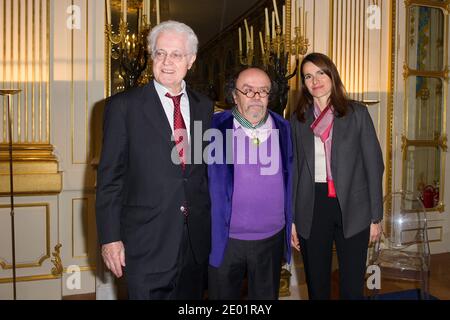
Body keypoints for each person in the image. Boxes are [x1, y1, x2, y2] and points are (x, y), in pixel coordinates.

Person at [96, 20, 214, 300]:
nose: (167, 61)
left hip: (194, 243)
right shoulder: (123, 106)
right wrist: (110, 239)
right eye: (160, 53)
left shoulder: (204, 106)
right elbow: (110, 180)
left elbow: (201, 172)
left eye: (176, 54)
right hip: (145, 243)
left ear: (191, 60)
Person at [290, 52, 384, 300]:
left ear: (332, 75)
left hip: (353, 205)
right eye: (308, 76)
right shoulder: (298, 120)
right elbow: (296, 170)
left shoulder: (357, 113)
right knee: (317, 285)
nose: (315, 80)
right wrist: (292, 220)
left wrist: (376, 216)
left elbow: (374, 166)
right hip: (312, 205)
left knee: (352, 286)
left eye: (321, 73)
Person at [208, 67, 292, 300]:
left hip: (271, 238)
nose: (256, 97)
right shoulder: (212, 127)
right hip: (225, 238)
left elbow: (293, 178)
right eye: (248, 91)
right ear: (234, 96)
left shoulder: (284, 128)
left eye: (263, 91)